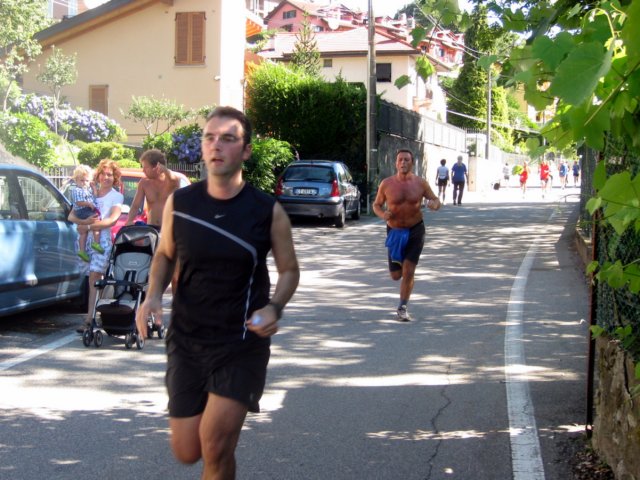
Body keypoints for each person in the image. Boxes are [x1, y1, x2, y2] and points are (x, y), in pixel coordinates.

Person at [135, 106, 300, 479]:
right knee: (187, 450)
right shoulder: (182, 203)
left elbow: (289, 270)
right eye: (210, 137)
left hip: (240, 343)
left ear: (246, 150)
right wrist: (152, 295)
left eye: (228, 138)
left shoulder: (266, 210)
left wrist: (275, 307)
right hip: (187, 340)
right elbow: (165, 255)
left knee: (215, 444)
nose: (216, 145)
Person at [372, 149, 441, 322]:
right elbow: (376, 205)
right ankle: (404, 274)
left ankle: (402, 307)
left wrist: (434, 204)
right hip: (395, 231)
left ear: (412, 163)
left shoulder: (420, 183)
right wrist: (383, 214)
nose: (403, 162)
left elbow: (436, 200)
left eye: (407, 160)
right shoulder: (386, 184)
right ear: (396, 163)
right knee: (396, 275)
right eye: (400, 160)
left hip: (415, 230)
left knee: (409, 270)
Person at [68, 159, 124, 330]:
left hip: (102, 241)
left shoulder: (116, 196)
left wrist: (88, 226)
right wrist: (84, 223)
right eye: (103, 174)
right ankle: (94, 315)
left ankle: (90, 318)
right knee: (91, 279)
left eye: (110, 175)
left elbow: (111, 220)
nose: (106, 177)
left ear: (115, 178)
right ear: (98, 175)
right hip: (85, 239)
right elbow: (71, 216)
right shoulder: (88, 192)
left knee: (95, 276)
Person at [125, 149, 182, 228]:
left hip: (169, 229)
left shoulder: (171, 181)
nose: (143, 170)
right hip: (151, 228)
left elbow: (174, 179)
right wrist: (129, 220)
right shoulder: (144, 183)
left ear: (156, 167)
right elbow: (135, 205)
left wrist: (165, 170)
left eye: (146, 167)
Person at [70, 165, 103, 262]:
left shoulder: (87, 189)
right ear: (76, 180)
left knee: (83, 233)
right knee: (97, 222)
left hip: (86, 210)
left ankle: (82, 251)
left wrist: (94, 189)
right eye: (82, 180)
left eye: (87, 181)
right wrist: (88, 204)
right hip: (82, 210)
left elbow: (94, 197)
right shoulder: (76, 190)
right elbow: (78, 202)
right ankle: (96, 243)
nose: (85, 183)